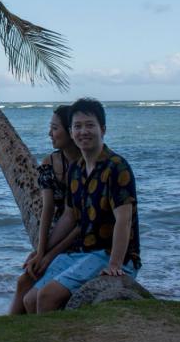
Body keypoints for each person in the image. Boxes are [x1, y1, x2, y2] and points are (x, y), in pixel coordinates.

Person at [22, 97, 141, 314]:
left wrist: (114, 264)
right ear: (71, 131)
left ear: (102, 129)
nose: (83, 132)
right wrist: (42, 252)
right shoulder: (76, 169)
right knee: (30, 299)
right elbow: (69, 216)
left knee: (47, 296)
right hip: (83, 253)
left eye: (89, 125)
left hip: (111, 255)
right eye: (77, 126)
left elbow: (124, 220)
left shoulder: (116, 167)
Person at [8, 105, 81, 315]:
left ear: (69, 130)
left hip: (79, 238)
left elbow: (81, 221)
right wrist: (41, 251)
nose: (50, 133)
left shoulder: (86, 164)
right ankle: (11, 328)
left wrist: (49, 255)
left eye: (55, 128)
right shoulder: (50, 162)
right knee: (25, 279)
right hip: (57, 234)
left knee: (31, 278)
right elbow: (47, 210)